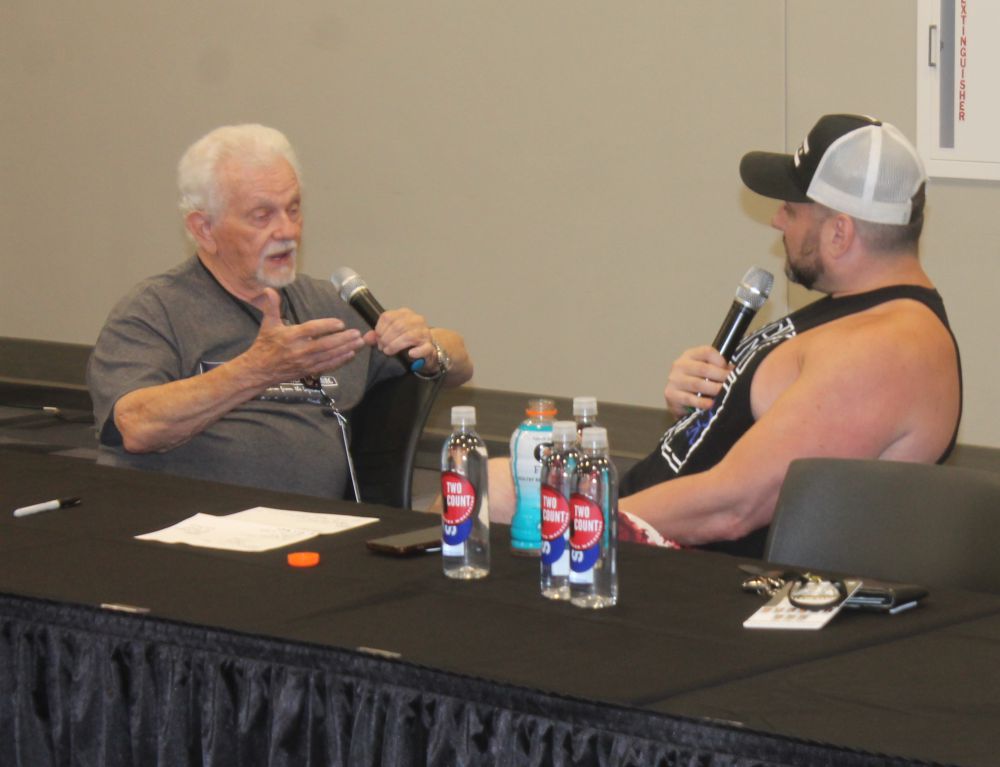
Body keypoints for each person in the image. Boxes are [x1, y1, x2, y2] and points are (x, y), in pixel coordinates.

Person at [490, 113, 962, 556]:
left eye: (791, 210)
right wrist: (701, 410)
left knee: (473, 506)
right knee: (482, 486)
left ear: (840, 233)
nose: (777, 220)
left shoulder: (887, 351)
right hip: (647, 524)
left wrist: (579, 521)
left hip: (695, 578)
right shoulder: (857, 312)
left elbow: (735, 506)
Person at [87, 124, 472, 499]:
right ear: (204, 229)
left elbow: (459, 361)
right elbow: (136, 425)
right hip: (187, 535)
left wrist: (431, 348)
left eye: (293, 209)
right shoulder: (155, 310)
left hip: (314, 536)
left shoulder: (325, 306)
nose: (287, 231)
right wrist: (258, 369)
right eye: (262, 216)